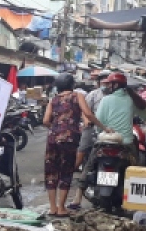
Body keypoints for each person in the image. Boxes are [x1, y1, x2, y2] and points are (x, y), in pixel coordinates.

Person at [43, 73, 107, 216]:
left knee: (51, 171)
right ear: (72, 85)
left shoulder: (53, 100)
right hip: (70, 138)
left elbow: (45, 120)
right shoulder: (77, 96)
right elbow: (88, 114)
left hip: (52, 138)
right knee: (66, 170)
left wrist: (55, 128)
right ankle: (61, 208)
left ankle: (52, 208)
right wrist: (104, 128)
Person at [71, 72, 111, 209]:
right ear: (99, 83)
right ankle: (73, 172)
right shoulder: (93, 95)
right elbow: (85, 111)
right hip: (92, 129)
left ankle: (108, 198)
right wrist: (87, 120)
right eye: (103, 82)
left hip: (109, 134)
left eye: (108, 82)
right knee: (84, 153)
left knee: (108, 163)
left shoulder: (115, 97)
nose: (106, 85)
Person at [95, 72, 146, 163]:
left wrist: (102, 131)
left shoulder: (106, 99)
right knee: (134, 163)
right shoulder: (131, 99)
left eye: (109, 84)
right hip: (126, 142)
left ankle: (84, 176)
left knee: (91, 161)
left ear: (116, 85)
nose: (108, 86)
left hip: (106, 140)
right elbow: (145, 115)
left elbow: (99, 120)